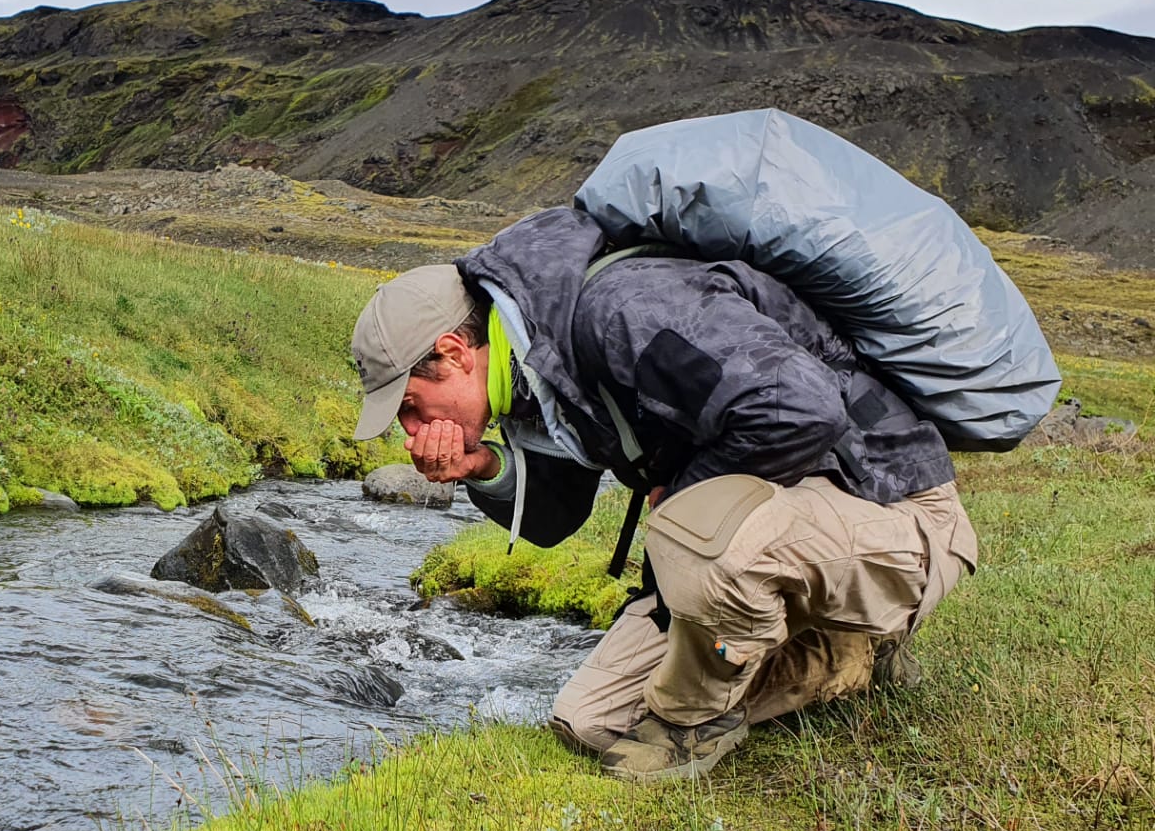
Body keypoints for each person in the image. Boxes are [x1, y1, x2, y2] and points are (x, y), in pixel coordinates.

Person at [350, 206, 978, 783]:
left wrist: (680, 492)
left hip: (895, 506)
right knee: (592, 721)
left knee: (692, 529)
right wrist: (484, 466)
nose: (410, 435)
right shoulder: (534, 372)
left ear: (455, 352)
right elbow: (556, 520)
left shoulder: (624, 309)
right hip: (790, 525)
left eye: (410, 407)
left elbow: (802, 411)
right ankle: (847, 655)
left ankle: (692, 726)